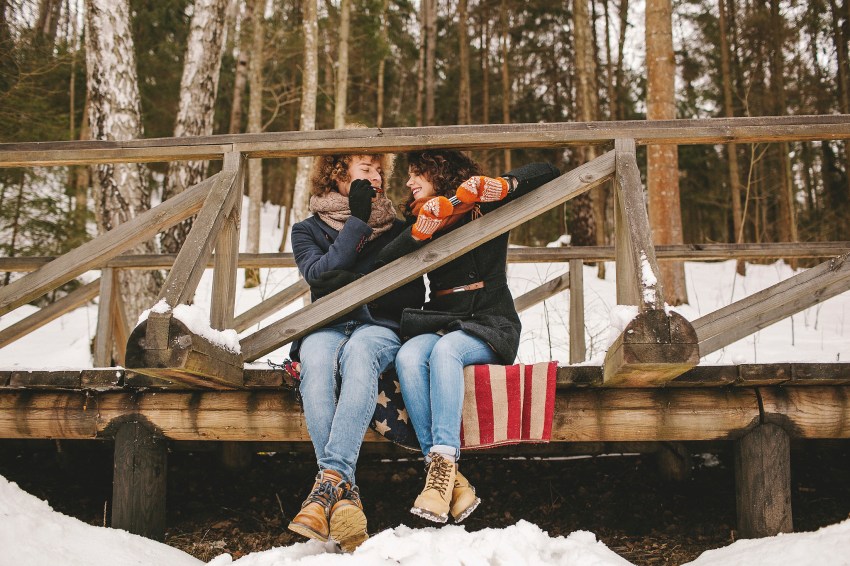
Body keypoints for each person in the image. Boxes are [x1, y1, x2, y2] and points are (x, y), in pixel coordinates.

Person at [377, 150, 559, 524]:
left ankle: (442, 461)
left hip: (488, 319)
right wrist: (415, 234)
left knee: (445, 352)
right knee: (409, 356)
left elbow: (547, 170)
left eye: (417, 174)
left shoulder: (483, 205)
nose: (409, 183)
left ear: (440, 173)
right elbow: (384, 260)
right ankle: (448, 480)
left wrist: (504, 185)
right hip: (440, 317)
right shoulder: (419, 215)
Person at [287, 152, 425, 552]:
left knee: (359, 354)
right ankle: (344, 495)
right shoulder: (305, 230)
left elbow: (408, 290)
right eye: (366, 169)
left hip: (380, 326)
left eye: (380, 170)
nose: (377, 176)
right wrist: (357, 223)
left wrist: (348, 275)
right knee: (315, 360)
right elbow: (318, 275)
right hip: (328, 325)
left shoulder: (399, 227)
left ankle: (327, 486)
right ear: (336, 173)